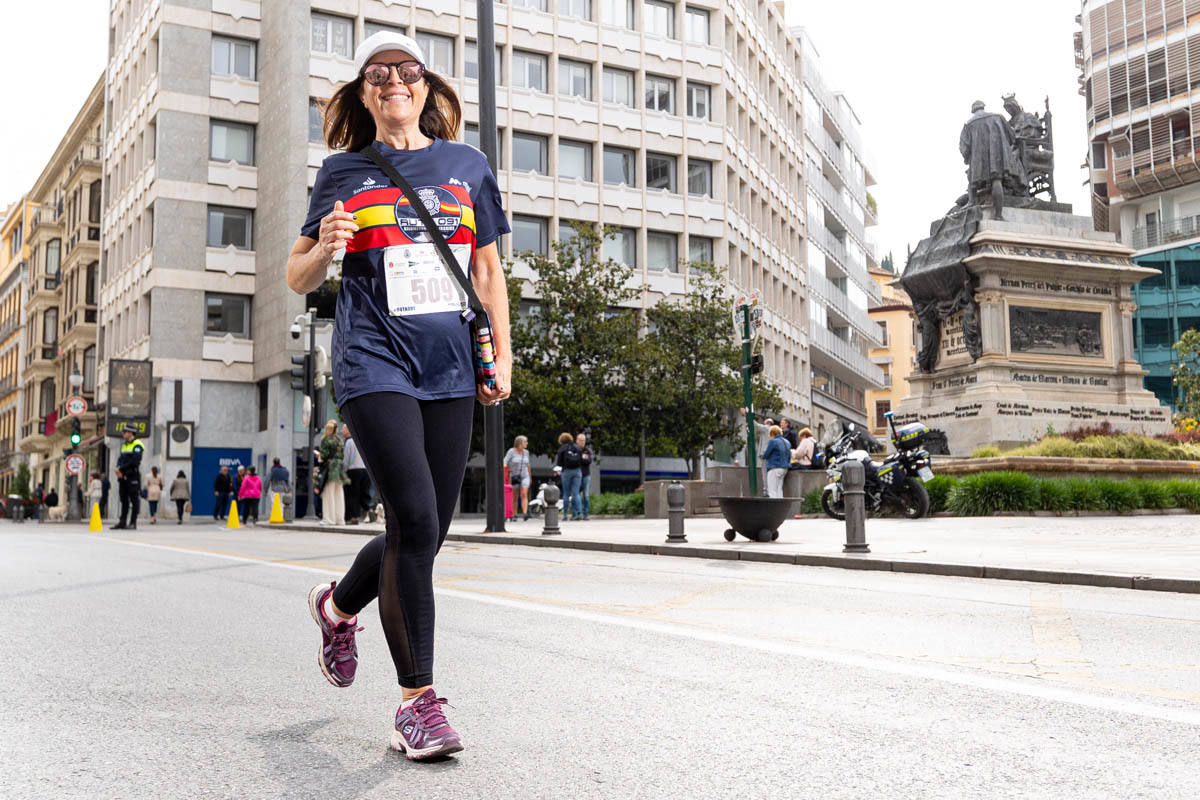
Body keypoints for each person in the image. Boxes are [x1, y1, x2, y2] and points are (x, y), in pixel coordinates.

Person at [288, 29, 510, 761]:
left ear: (425, 86)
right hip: (372, 361)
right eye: (377, 73)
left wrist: (503, 356)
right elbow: (297, 276)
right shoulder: (342, 172)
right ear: (362, 93)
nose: (393, 81)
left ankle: (337, 604)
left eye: (406, 70)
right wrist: (327, 246)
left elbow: (486, 271)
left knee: (426, 534)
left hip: (448, 365)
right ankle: (417, 703)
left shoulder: (466, 166)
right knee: (413, 517)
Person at [112, 423, 144, 530]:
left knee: (134, 500)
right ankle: (122, 522)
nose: (123, 434)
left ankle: (133, 523)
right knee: (123, 499)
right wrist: (117, 469)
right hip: (122, 476)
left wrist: (121, 469)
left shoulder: (137, 444)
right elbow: (120, 459)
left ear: (130, 433)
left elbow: (135, 461)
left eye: (124, 432)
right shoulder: (124, 444)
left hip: (132, 475)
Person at [316, 419, 347, 526]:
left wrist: (319, 456)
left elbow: (324, 455)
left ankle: (329, 519)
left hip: (330, 469)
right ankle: (340, 519)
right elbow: (342, 455)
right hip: (339, 469)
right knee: (339, 494)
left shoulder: (326, 440)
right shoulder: (340, 440)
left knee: (328, 494)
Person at [342, 424, 370, 525]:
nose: (342, 431)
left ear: (349, 430)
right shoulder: (362, 440)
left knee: (352, 495)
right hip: (365, 470)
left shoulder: (349, 441)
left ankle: (353, 517)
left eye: (343, 429)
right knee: (364, 493)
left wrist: (344, 470)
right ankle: (368, 511)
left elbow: (347, 458)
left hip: (353, 470)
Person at [555, 432, 584, 521]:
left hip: (566, 471)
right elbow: (581, 460)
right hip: (577, 471)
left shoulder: (562, 448)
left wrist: (557, 471)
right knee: (576, 493)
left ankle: (565, 515)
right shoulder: (577, 447)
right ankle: (578, 513)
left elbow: (559, 463)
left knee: (566, 494)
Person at [503, 435, 532, 521]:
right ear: (520, 442)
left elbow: (528, 465)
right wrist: (506, 470)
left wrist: (530, 476)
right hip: (514, 476)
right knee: (514, 496)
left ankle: (524, 513)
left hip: (525, 475)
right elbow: (505, 461)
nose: (527, 443)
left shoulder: (526, 452)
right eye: (525, 442)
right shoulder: (511, 451)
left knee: (524, 493)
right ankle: (514, 514)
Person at [763, 425, 791, 498]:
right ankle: (781, 508)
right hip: (784, 468)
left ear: (772, 433)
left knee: (772, 490)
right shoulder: (787, 442)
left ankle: (773, 508)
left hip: (775, 467)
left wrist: (763, 455)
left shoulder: (773, 441)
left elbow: (766, 455)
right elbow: (789, 456)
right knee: (779, 490)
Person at [576, 432, 594, 521]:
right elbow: (575, 460)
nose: (582, 442)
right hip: (576, 475)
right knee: (576, 495)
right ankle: (577, 514)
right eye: (581, 440)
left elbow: (589, 461)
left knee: (586, 495)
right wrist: (583, 458)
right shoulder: (574, 449)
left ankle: (586, 514)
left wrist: (581, 459)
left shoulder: (588, 450)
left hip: (586, 475)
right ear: (577, 441)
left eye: (584, 440)